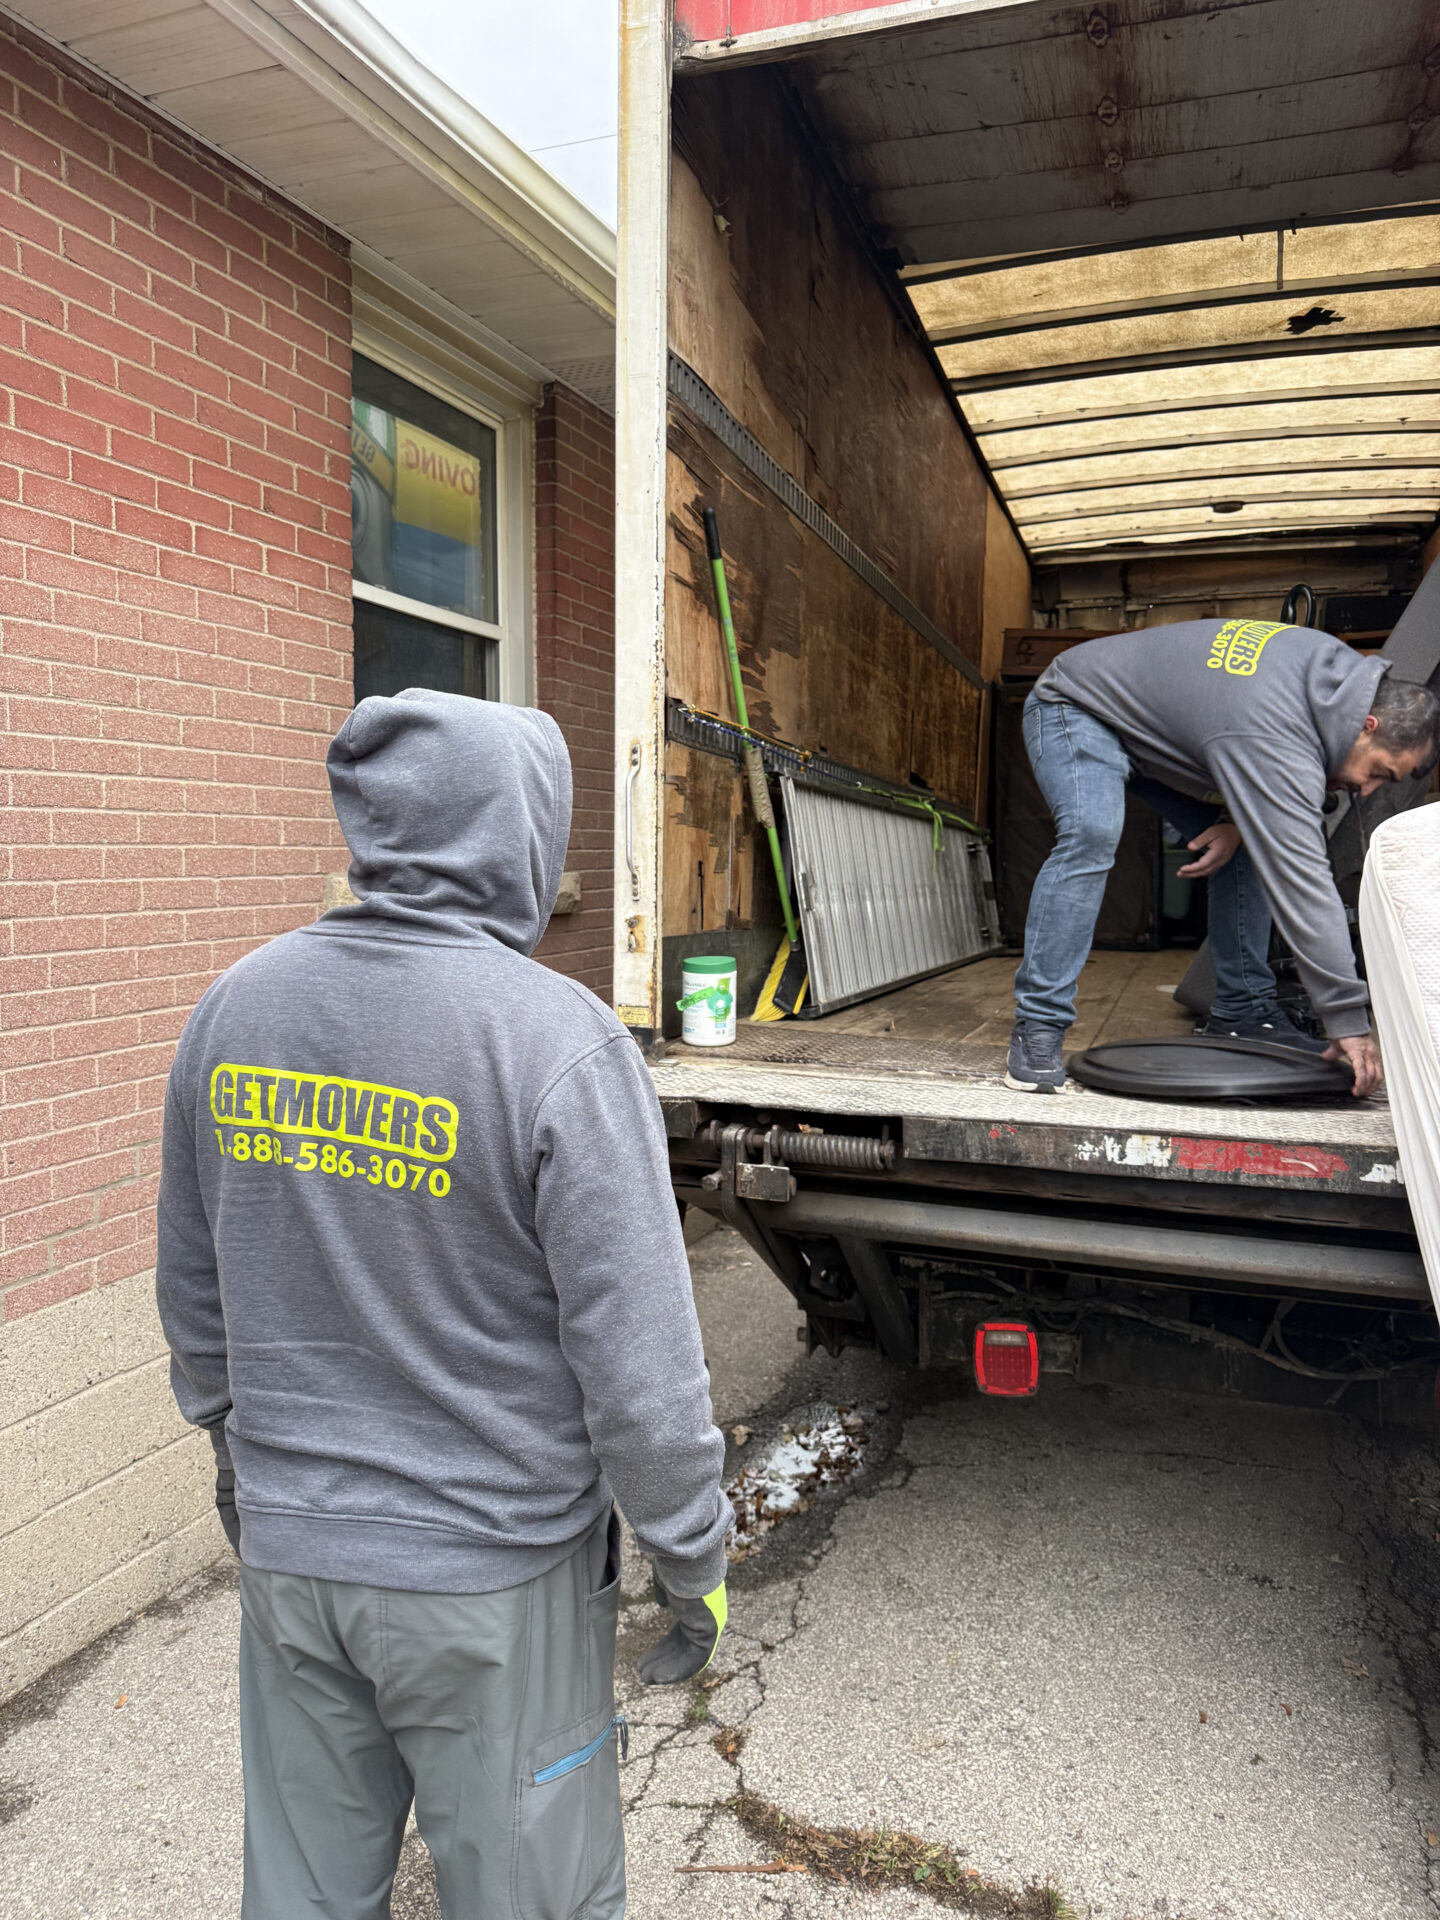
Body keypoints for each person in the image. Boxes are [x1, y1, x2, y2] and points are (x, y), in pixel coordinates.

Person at [156, 690, 732, 1920]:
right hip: (494, 1582)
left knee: (301, 1898)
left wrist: (236, 1464)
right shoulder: (559, 1045)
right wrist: (693, 1555)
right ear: (517, 836)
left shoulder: (234, 1011)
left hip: (294, 1561)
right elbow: (640, 1371)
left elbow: (193, 1293)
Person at [1005, 617, 1440, 1098]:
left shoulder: (1332, 681)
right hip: (1078, 706)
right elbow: (1303, 882)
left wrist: (1238, 824)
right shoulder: (1278, 727)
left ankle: (1241, 1013)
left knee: (1248, 844)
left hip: (1160, 740)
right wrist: (1347, 1019)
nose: (1368, 788)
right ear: (1368, 725)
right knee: (1092, 832)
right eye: (1379, 771)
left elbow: (1237, 737)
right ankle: (1037, 1027)